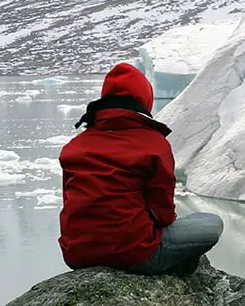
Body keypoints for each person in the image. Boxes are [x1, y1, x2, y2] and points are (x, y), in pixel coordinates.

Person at [58, 62, 223, 276]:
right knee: (211, 223)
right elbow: (161, 212)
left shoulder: (75, 146)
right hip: (135, 254)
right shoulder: (152, 143)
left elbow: (72, 203)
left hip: (77, 255)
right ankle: (173, 267)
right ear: (145, 100)